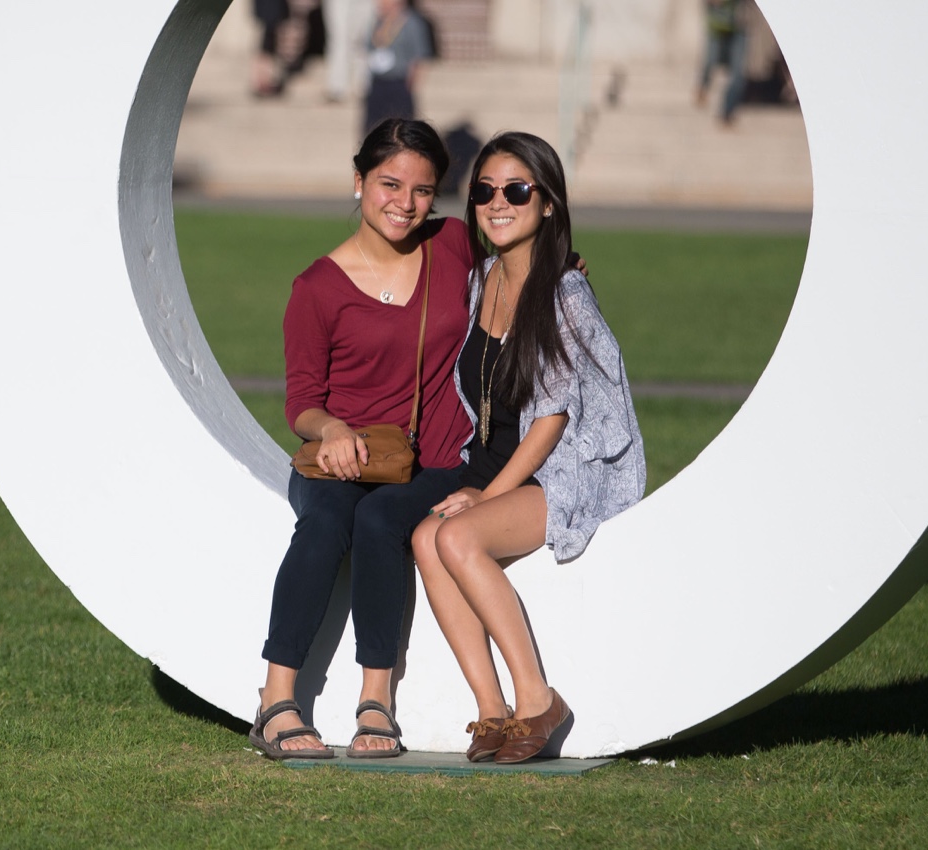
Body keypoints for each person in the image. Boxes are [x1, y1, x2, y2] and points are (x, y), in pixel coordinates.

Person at [410, 131, 644, 764]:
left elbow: (552, 420)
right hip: (499, 468)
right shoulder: (483, 277)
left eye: (517, 189)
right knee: (424, 540)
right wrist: (476, 482)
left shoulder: (565, 296)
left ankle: (538, 703)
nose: (497, 202)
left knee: (456, 537)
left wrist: (487, 496)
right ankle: (491, 713)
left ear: (548, 204)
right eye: (485, 190)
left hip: (563, 471)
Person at [250, 119, 477, 760]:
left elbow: (522, 262)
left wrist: (564, 268)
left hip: (431, 457)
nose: (405, 204)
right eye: (389, 184)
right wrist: (331, 430)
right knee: (323, 526)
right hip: (337, 458)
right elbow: (301, 402)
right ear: (358, 182)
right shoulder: (316, 288)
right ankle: (275, 699)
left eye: (423, 190)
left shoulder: (454, 244)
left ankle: (376, 700)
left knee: (380, 522)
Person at [361, 0, 433, 136]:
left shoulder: (412, 23)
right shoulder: (377, 22)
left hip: (399, 83)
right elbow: (368, 49)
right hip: (377, 82)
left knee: (400, 132)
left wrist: (413, 83)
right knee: (372, 130)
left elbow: (419, 58)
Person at [695, 0, 749, 126]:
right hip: (717, 25)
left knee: (738, 74)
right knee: (710, 61)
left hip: (740, 25)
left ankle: (727, 112)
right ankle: (703, 86)